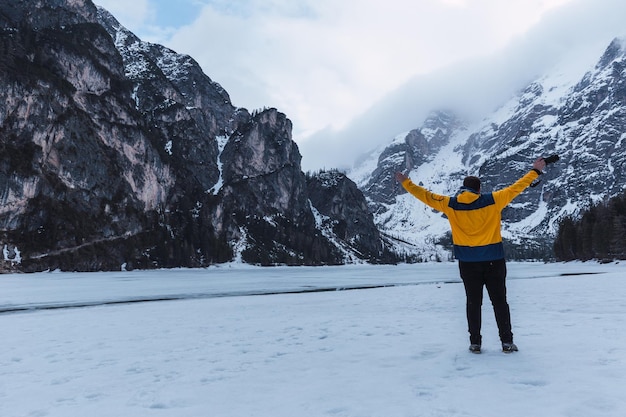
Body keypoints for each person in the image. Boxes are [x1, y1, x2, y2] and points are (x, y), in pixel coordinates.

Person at [394, 157, 547, 354]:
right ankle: (507, 342)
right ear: (479, 189)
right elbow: (517, 187)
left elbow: (426, 196)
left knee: (473, 303)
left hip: (467, 263)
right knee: (500, 302)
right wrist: (535, 171)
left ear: (463, 189)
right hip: (494, 261)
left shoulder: (451, 204)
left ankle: (475, 343)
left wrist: (406, 182)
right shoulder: (493, 200)